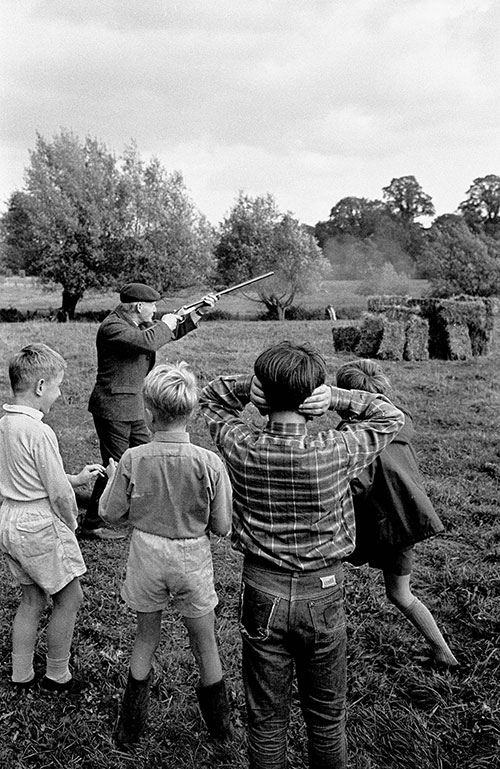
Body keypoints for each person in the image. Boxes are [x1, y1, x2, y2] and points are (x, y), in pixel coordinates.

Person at [199, 341, 404, 769]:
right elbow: (390, 415)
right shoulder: (336, 449)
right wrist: (339, 397)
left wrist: (247, 388)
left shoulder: (242, 445)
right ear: (313, 401)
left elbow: (210, 396)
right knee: (327, 717)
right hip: (323, 590)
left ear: (263, 394)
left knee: (266, 719)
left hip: (261, 590)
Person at [99, 361, 233, 747]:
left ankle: (128, 731)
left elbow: (110, 514)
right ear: (190, 412)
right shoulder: (210, 462)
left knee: (145, 639)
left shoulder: (133, 459)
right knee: (204, 642)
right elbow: (222, 526)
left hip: (146, 554)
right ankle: (222, 734)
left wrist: (112, 481)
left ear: (149, 413)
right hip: (192, 556)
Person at [335, 358, 459, 669]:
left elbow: (355, 488)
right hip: (405, 521)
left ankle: (326, 650)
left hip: (376, 524)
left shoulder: (358, 437)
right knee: (401, 595)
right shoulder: (398, 422)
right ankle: (444, 652)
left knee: (326, 575)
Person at [0, 343, 105, 693]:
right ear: (41, 386)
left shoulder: (5, 424)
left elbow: (27, 475)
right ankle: (58, 675)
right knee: (70, 598)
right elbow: (59, 496)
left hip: (10, 518)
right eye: (58, 386)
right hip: (38, 525)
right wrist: (71, 524)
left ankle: (21, 673)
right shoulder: (39, 430)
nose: (59, 395)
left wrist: (73, 478)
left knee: (32, 599)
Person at [82, 281, 218, 540]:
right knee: (116, 464)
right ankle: (91, 523)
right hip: (113, 408)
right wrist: (166, 322)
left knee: (151, 455)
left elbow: (168, 333)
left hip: (134, 406)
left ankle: (138, 510)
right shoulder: (113, 327)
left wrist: (199, 311)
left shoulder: (135, 323)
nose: (155, 310)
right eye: (152, 305)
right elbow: (150, 340)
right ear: (139, 306)